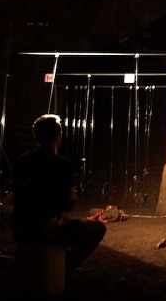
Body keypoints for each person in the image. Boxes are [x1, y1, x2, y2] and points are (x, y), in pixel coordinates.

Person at [11, 114, 106, 271]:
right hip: (45, 230)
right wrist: (55, 220)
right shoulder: (62, 163)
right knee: (98, 228)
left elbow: (20, 198)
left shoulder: (21, 161)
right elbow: (70, 202)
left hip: (20, 229)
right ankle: (65, 268)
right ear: (57, 136)